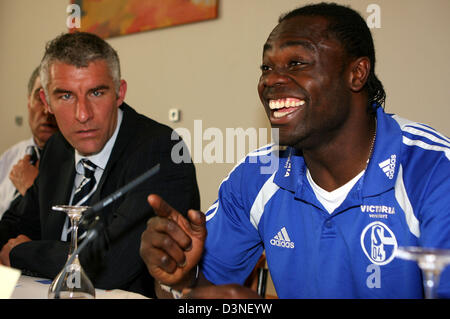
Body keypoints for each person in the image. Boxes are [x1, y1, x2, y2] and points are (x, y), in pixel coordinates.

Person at [139, 2, 450, 299]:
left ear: (356, 74)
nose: (270, 80)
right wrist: (179, 278)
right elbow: (198, 293)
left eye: (296, 63)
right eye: (266, 67)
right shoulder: (256, 176)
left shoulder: (433, 171)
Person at [0, 32, 200, 298]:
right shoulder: (58, 149)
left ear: (120, 93)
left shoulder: (162, 150)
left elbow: (110, 263)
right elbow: (16, 222)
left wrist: (21, 253)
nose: (83, 114)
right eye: (66, 96)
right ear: (46, 102)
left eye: (96, 92)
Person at [0, 67, 58, 218]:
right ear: (28, 101)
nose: (47, 111)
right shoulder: (10, 156)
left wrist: (32, 189)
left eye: (55, 99)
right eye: (40, 98)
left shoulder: (78, 163)